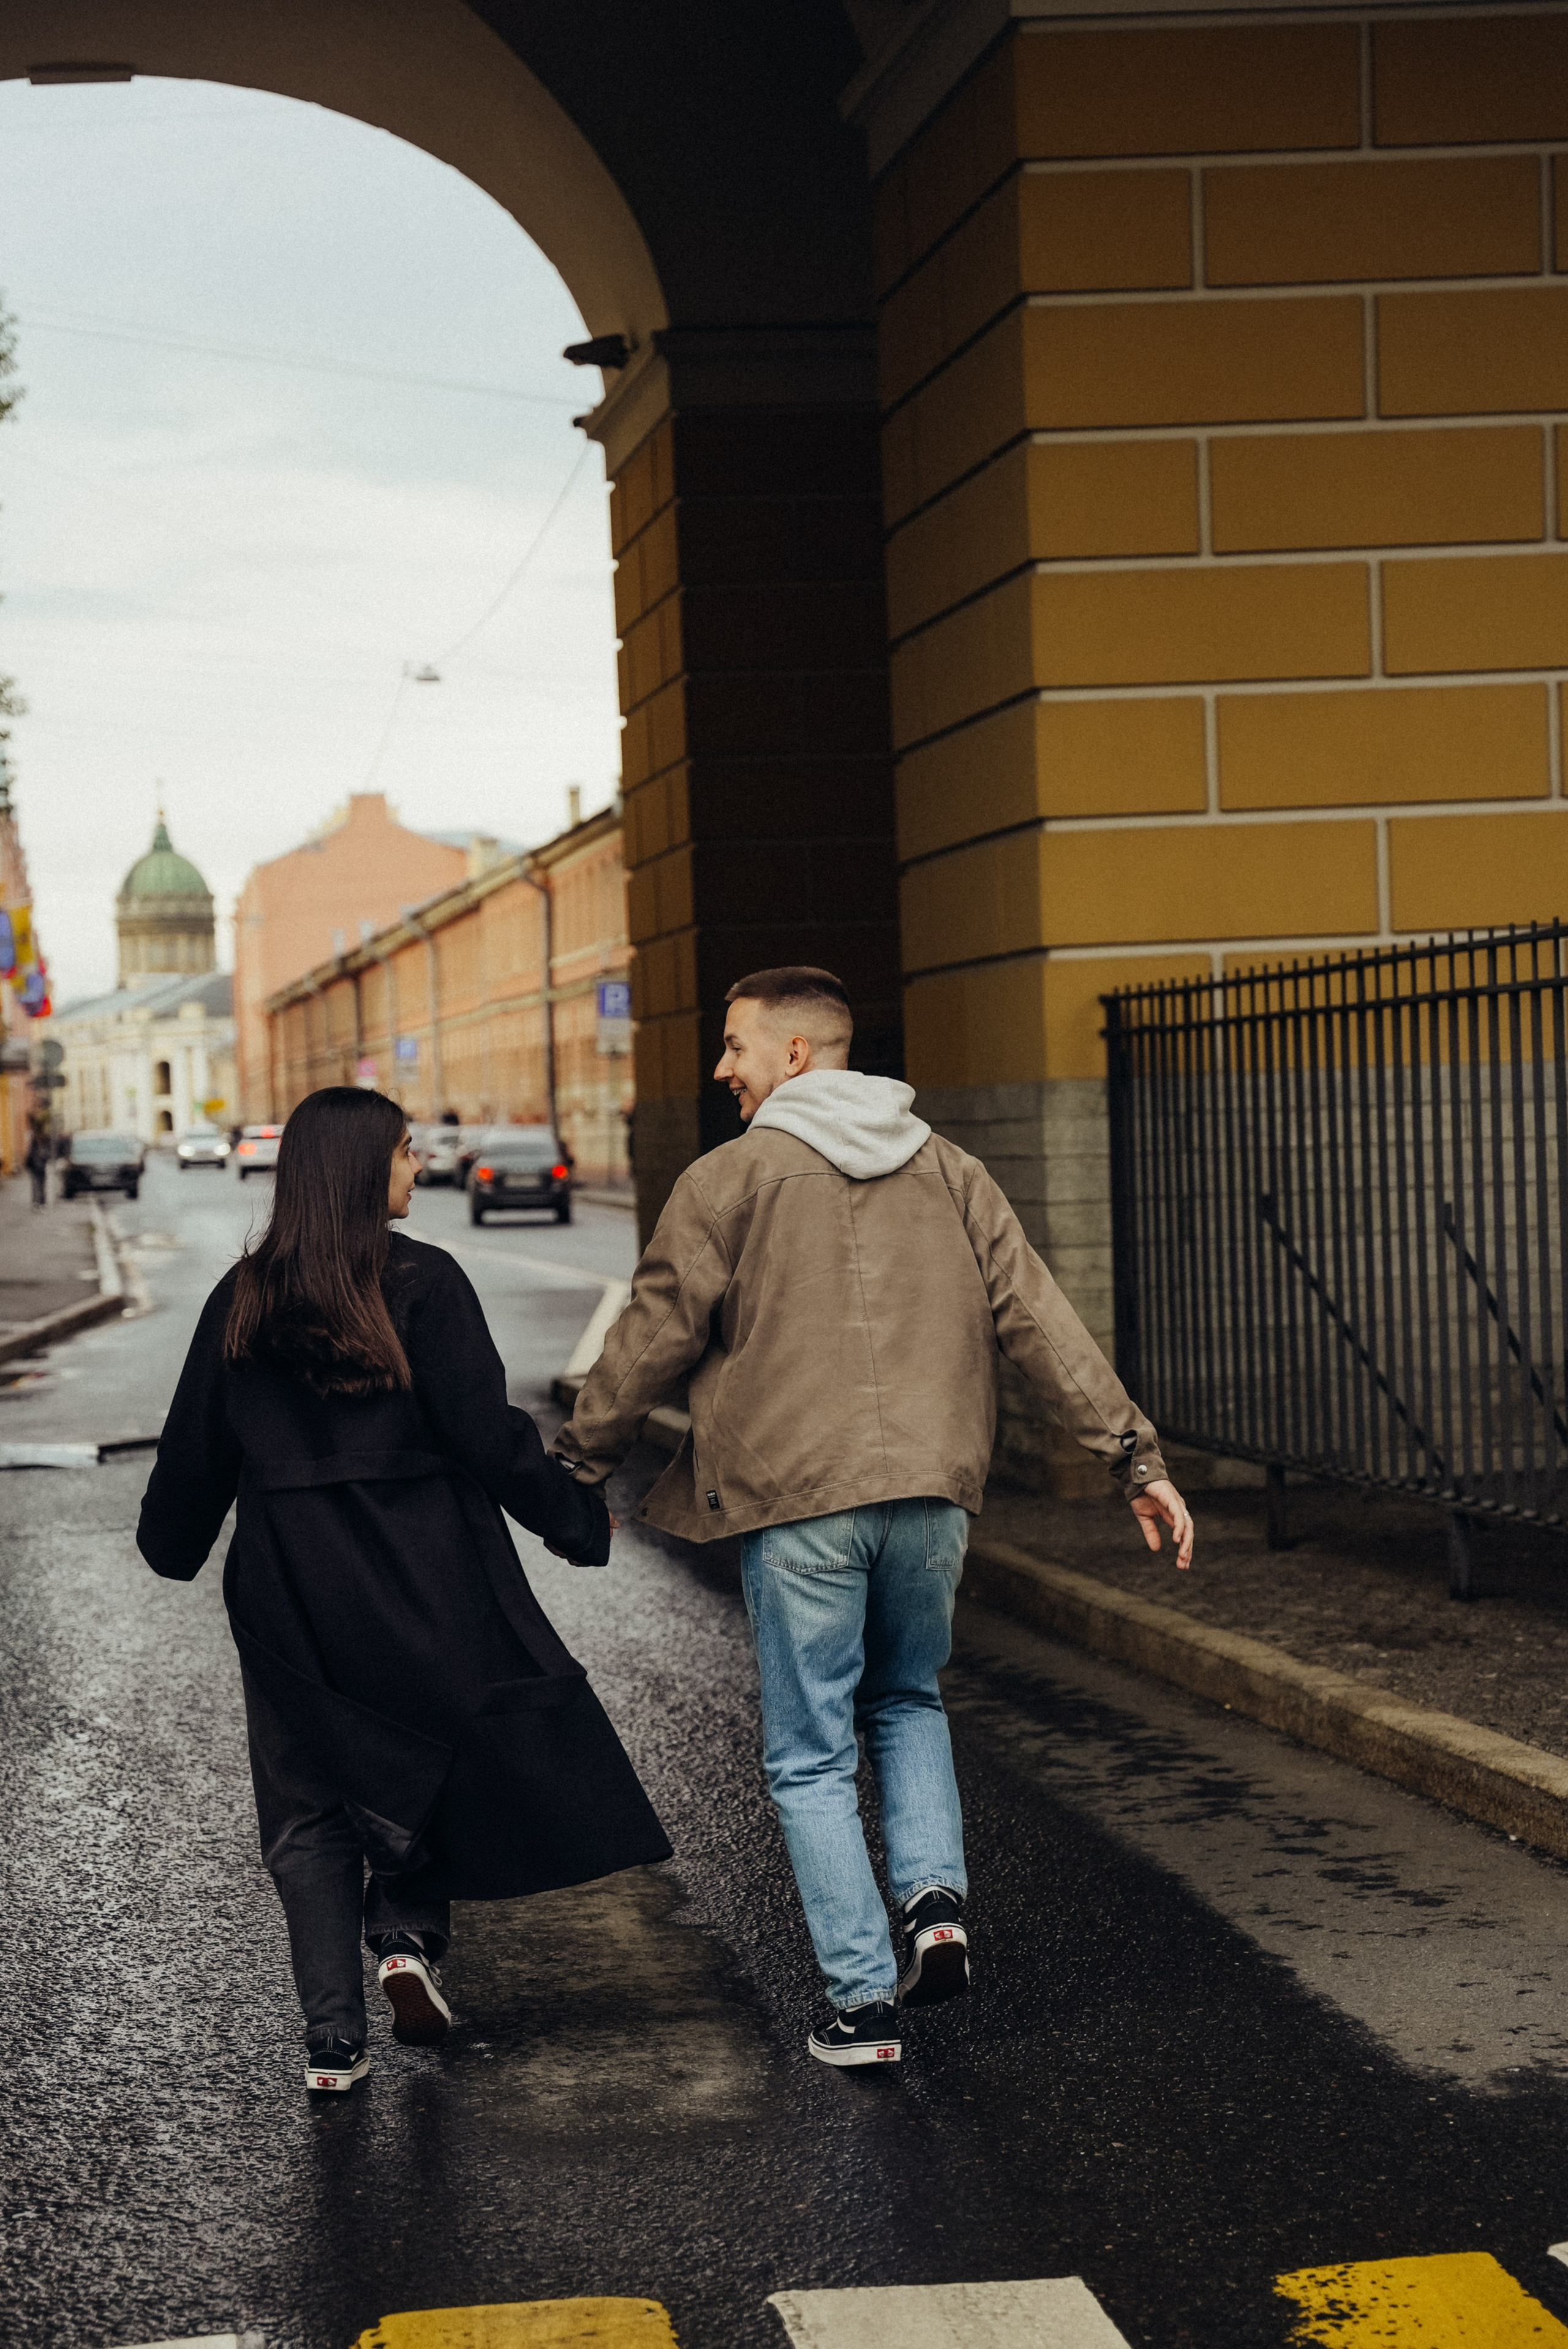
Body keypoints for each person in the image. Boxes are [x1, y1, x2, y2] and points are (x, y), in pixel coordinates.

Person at [556, 967, 1193, 2069]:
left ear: (795, 1055)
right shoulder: (951, 1169)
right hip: (933, 1496)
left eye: (735, 1046)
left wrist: (579, 1463)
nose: (722, 1069)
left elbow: (652, 1335)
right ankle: (935, 1907)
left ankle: (861, 2005)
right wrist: (1135, 1456)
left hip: (800, 1500)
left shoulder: (728, 1179)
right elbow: (1038, 1317)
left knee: (808, 1753)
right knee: (906, 1697)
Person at [138, 1086, 669, 2095]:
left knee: (306, 1805)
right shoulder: (426, 1282)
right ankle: (406, 1939)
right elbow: (490, 1435)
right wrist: (575, 1520)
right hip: (424, 1569)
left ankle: (332, 2040)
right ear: (359, 1167)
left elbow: (196, 1447)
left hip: (289, 1582)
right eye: (405, 1152)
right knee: (422, 1762)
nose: (417, 1166)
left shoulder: (243, 1295)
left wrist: (171, 1540)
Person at [24, 1123, 50, 1209]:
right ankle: (38, 1202)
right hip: (36, 1168)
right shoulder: (36, 1145)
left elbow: (30, 1156)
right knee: (37, 1185)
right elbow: (30, 1156)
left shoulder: (42, 1144)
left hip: (40, 1168)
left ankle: (40, 1202)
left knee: (40, 1185)